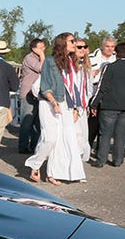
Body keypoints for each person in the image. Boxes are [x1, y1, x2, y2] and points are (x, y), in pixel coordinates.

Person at [26, 33, 89, 184]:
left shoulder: (71, 62)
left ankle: (52, 173)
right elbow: (45, 85)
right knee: (51, 138)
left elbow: (74, 88)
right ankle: (34, 164)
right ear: (63, 43)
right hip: (50, 103)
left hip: (66, 104)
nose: (75, 43)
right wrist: (54, 103)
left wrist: (75, 108)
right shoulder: (49, 61)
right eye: (72, 41)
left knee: (65, 140)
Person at [90, 42, 125, 167]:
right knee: (120, 133)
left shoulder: (110, 67)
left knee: (105, 133)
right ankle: (118, 160)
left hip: (109, 105)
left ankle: (101, 160)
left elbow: (102, 88)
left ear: (116, 53)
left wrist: (93, 104)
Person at [18, 38, 46, 153]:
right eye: (40, 48)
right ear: (34, 49)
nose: (43, 50)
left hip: (38, 94)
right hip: (28, 93)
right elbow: (42, 68)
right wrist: (43, 56)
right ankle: (23, 146)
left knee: (37, 123)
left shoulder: (40, 58)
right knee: (27, 122)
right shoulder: (29, 58)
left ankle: (35, 146)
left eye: (44, 47)